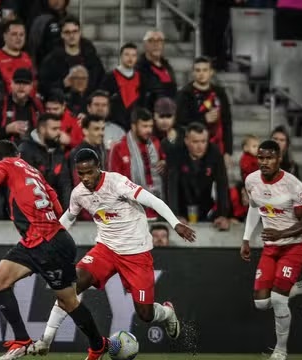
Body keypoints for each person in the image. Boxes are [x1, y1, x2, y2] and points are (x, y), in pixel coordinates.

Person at [0, 140, 111, 360]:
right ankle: (22, 341)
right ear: (18, 154)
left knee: (68, 301)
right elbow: (54, 199)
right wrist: (53, 225)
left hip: (46, 243)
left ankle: (98, 345)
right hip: (44, 239)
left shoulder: (4, 164)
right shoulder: (32, 170)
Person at [31, 148, 196, 356]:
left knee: (145, 313)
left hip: (136, 253)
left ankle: (167, 313)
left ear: (98, 167)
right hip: (106, 249)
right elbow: (69, 218)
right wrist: (49, 239)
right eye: (81, 174)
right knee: (70, 287)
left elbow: (153, 200)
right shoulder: (79, 193)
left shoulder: (117, 182)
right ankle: (46, 340)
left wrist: (176, 224)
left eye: (89, 172)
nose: (86, 178)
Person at [240, 140, 302, 360]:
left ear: (279, 159)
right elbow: (254, 207)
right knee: (261, 303)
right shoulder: (251, 180)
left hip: (294, 246)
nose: (264, 162)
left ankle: (280, 350)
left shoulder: (294, 186)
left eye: (269, 158)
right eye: (261, 158)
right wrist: (246, 238)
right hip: (271, 248)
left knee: (278, 299)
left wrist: (282, 234)